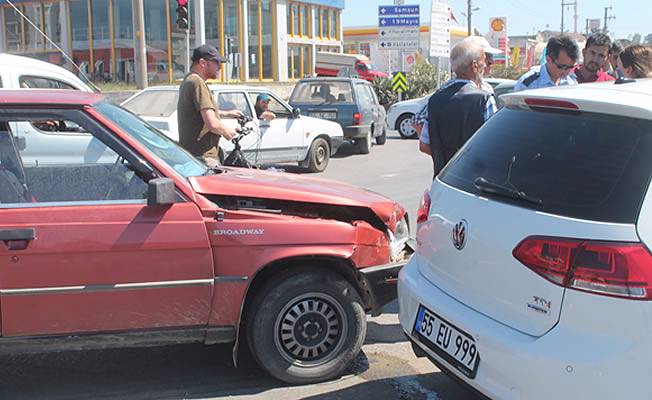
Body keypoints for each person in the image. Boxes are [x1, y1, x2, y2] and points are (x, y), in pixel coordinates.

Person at [419, 40, 497, 178]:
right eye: (483, 62)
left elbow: (424, 145)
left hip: (442, 180)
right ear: (474, 66)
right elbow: (495, 145)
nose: (484, 66)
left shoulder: (434, 100)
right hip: (474, 182)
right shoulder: (484, 99)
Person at [177, 44, 242, 166]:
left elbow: (199, 112)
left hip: (193, 156)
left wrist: (227, 113)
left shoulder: (189, 80)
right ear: (202, 62)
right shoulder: (197, 82)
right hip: (204, 158)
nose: (220, 68)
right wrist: (227, 131)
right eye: (217, 63)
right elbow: (212, 123)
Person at [513, 35, 579, 92]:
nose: (566, 72)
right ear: (548, 59)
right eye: (562, 67)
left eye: (570, 67)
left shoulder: (571, 83)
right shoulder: (528, 85)